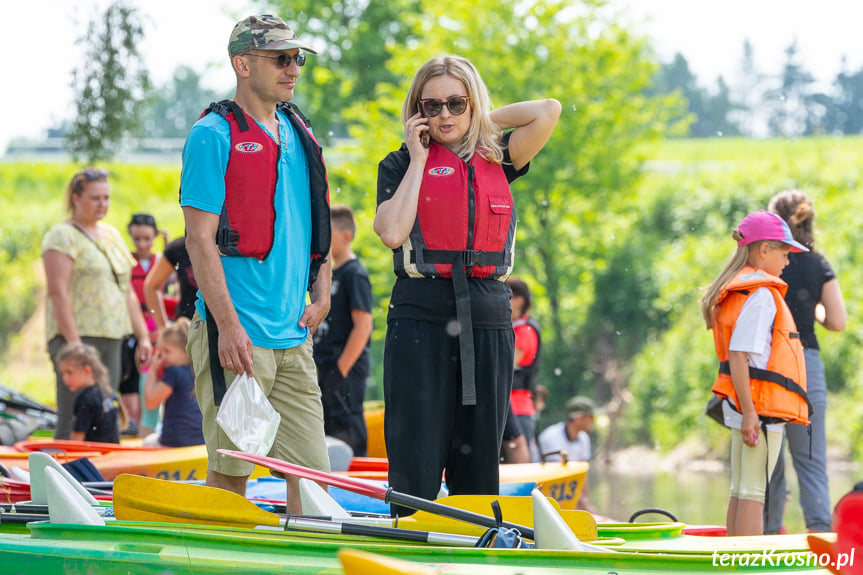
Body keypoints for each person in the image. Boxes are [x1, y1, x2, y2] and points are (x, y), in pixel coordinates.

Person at [374, 55, 561, 515]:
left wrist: (479, 122)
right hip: (420, 315)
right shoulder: (399, 164)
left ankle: (472, 554)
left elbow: (548, 109)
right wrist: (420, 158)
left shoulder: (499, 156)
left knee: (478, 461)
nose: (444, 116)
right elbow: (392, 232)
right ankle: (409, 542)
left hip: (488, 317)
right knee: (415, 457)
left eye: (456, 104)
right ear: (416, 110)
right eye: (432, 106)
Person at [180, 14, 332, 515]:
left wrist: (324, 289)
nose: (293, 68)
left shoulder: (299, 131)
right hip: (238, 340)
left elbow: (318, 223)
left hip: (293, 340)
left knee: (313, 487)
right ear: (242, 64)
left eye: (297, 58)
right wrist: (226, 327)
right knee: (230, 479)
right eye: (281, 59)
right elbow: (199, 239)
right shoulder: (212, 135)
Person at [700, 210, 812, 536]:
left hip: (746, 406)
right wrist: (751, 413)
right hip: (758, 410)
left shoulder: (740, 290)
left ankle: (732, 561)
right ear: (763, 250)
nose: (788, 262)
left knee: (741, 490)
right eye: (785, 253)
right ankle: (745, 565)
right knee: (753, 494)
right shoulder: (761, 295)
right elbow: (738, 355)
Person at [42, 168, 152, 440]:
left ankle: (101, 475)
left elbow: (126, 291)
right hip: (76, 336)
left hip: (112, 336)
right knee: (74, 414)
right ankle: (61, 474)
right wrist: (74, 344)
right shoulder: (61, 236)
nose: (102, 204)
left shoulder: (112, 235)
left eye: (106, 198)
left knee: (104, 413)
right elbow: (58, 292)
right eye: (95, 198)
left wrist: (143, 337)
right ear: (76, 198)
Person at [763, 190, 846, 534]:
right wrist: (814, 308)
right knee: (811, 461)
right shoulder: (817, 263)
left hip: (765, 364)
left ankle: (763, 540)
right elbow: (838, 322)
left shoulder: (764, 259)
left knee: (768, 465)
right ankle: (821, 538)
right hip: (805, 362)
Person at [313, 205, 373, 456]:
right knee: (326, 424)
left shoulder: (354, 274)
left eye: (329, 234)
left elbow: (363, 326)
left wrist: (341, 369)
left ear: (346, 236)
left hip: (345, 367)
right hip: (325, 365)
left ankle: (358, 476)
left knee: (347, 424)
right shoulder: (327, 274)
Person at [119, 212, 166, 432]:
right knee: (132, 383)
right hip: (132, 329)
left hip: (157, 330)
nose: (142, 244)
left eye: (147, 239)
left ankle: (151, 429)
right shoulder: (127, 262)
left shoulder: (161, 260)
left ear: (154, 237)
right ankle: (133, 429)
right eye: (137, 239)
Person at [142, 318, 204, 447]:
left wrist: (153, 370)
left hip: (175, 440)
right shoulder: (199, 372)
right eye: (160, 352)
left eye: (167, 351)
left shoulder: (174, 372)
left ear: (186, 352)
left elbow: (150, 402)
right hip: (200, 439)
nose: (162, 357)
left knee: (147, 442)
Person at [56, 343, 128, 444]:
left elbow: (77, 440)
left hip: (95, 454)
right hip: (112, 451)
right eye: (62, 374)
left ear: (87, 370)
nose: (64, 379)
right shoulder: (105, 391)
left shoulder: (84, 399)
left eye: (69, 372)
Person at [507, 277, 542, 458]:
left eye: (508, 297)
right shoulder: (513, 327)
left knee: (517, 457)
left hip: (518, 408)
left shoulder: (525, 331)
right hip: (510, 406)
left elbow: (508, 363)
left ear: (519, 300)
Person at [144, 236, 198, 330]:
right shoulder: (179, 248)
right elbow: (151, 285)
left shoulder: (227, 245)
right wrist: (163, 327)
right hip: (187, 328)